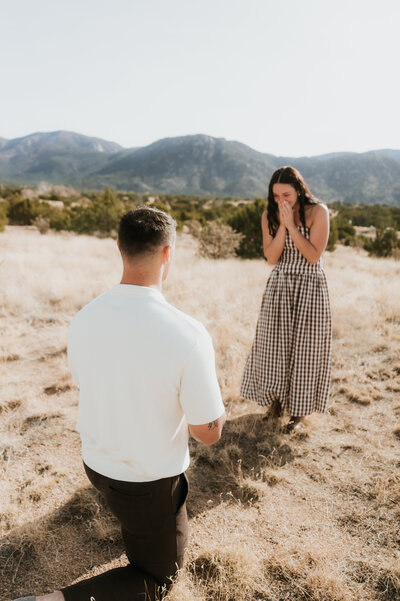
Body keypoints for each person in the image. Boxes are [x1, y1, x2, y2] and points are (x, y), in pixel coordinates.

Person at [14, 206, 226, 601]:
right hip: (146, 483)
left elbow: (87, 383)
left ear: (119, 248)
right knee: (160, 577)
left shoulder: (84, 318)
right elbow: (207, 435)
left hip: (96, 465)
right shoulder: (188, 333)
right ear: (168, 253)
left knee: (137, 519)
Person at [240, 166, 332, 432]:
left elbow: (313, 256)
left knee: (305, 350)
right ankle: (276, 403)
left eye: (287, 195)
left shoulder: (319, 212)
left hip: (310, 287)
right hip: (280, 286)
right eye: (276, 195)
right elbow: (272, 257)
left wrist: (292, 225)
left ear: (299, 191)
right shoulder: (268, 215)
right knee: (274, 348)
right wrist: (282, 224)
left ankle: (299, 414)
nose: (281, 200)